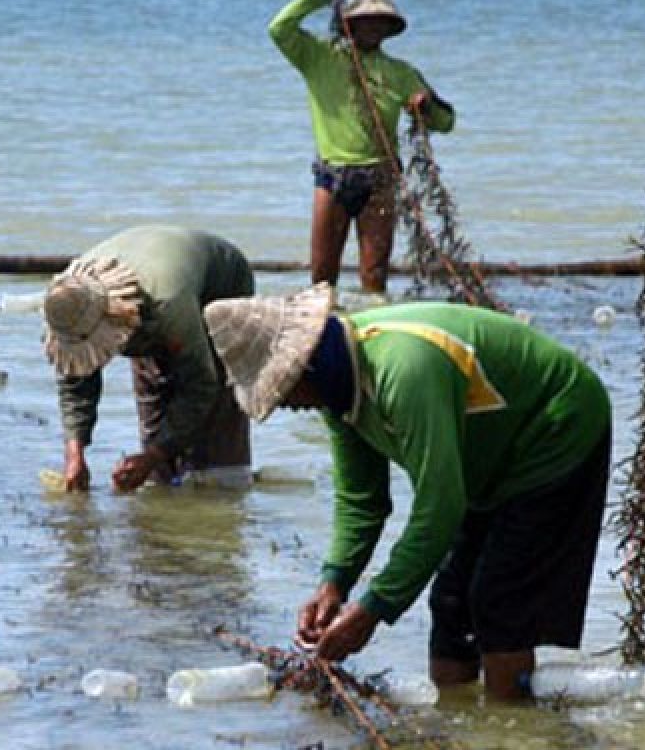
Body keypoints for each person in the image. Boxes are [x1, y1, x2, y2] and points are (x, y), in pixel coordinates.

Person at [203, 284, 612, 700]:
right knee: (452, 604)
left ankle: (515, 729)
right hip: (489, 453)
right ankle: (460, 729)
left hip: (558, 428)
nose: (287, 405)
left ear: (303, 368)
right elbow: (362, 501)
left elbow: (440, 508)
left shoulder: (403, 371)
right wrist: (335, 583)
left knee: (498, 601)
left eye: (282, 391)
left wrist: (373, 609)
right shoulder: (339, 389)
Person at [269, 0, 456, 294]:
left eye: (379, 21)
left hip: (380, 179)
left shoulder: (400, 72)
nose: (371, 26)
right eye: (364, 20)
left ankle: (370, 330)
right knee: (322, 277)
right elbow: (279, 28)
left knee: (374, 274)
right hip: (332, 177)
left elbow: (447, 121)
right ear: (348, 24)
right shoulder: (320, 57)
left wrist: (424, 107)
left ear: (388, 28)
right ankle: (326, 338)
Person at [42, 225, 255, 493]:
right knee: (155, 394)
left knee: (216, 415)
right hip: (148, 290)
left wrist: (153, 455)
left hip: (220, 287)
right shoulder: (65, 303)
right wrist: (75, 454)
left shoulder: (166, 304)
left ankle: (218, 495)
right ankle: (161, 484)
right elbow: (75, 377)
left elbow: (202, 384)